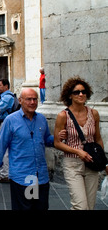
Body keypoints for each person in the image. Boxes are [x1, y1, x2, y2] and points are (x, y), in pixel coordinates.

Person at [0, 88, 54, 210]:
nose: (32, 102)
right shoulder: (11, 120)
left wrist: (59, 139)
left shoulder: (41, 119)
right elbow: (1, 147)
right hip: (23, 177)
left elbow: (46, 139)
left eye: (35, 99)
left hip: (41, 177)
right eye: (28, 99)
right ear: (20, 101)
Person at [53, 76, 107, 210]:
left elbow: (98, 139)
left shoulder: (93, 113)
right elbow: (57, 143)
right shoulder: (63, 116)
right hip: (72, 164)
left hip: (91, 163)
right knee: (80, 206)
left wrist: (104, 162)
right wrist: (78, 151)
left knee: (90, 206)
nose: (81, 94)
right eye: (76, 92)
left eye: (83, 91)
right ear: (70, 95)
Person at [0, 78, 15, 182]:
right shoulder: (6, 96)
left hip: (5, 124)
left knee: (4, 149)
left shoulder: (7, 97)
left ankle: (5, 174)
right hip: (6, 123)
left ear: (6, 86)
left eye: (0, 85)